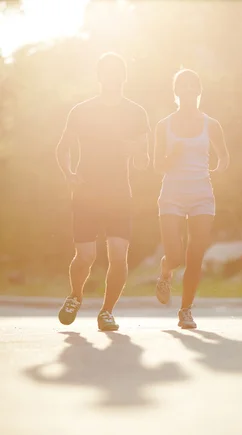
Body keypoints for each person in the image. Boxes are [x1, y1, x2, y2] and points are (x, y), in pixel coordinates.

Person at [56, 52, 150, 331]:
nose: (113, 77)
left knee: (119, 254)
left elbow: (144, 161)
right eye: (107, 72)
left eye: (117, 72)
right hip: (86, 192)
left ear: (123, 77)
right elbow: (63, 146)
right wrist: (69, 174)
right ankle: (75, 296)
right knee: (85, 256)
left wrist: (139, 155)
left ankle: (107, 312)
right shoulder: (82, 110)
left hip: (119, 192)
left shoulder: (136, 112)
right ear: (100, 77)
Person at [153, 68, 229, 329]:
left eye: (191, 86)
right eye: (181, 86)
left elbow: (223, 155)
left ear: (198, 90)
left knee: (195, 255)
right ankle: (166, 272)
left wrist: (220, 167)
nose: (186, 90)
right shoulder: (164, 125)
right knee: (175, 256)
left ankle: (185, 311)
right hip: (172, 195)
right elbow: (157, 166)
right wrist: (170, 159)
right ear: (175, 92)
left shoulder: (212, 125)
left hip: (201, 195)